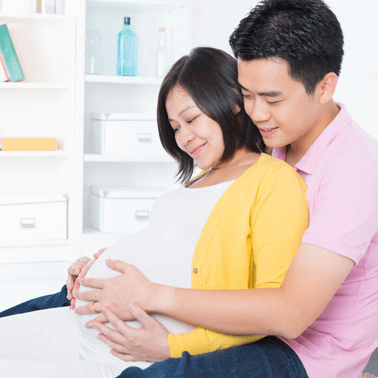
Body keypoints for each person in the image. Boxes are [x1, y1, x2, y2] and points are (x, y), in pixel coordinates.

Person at [68, 0, 378, 377]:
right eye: (247, 95)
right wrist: (113, 259)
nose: (256, 112)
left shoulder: (356, 171)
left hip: (304, 352)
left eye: (272, 98)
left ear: (325, 86)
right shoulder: (273, 139)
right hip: (242, 315)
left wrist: (153, 298)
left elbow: (290, 314)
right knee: (42, 308)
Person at [0, 47, 309, 377]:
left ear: (234, 102)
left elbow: (270, 311)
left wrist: (175, 347)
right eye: (175, 127)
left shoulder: (274, 181)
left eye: (191, 119)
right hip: (83, 329)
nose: (183, 138)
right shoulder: (203, 177)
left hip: (118, 357)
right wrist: (95, 267)